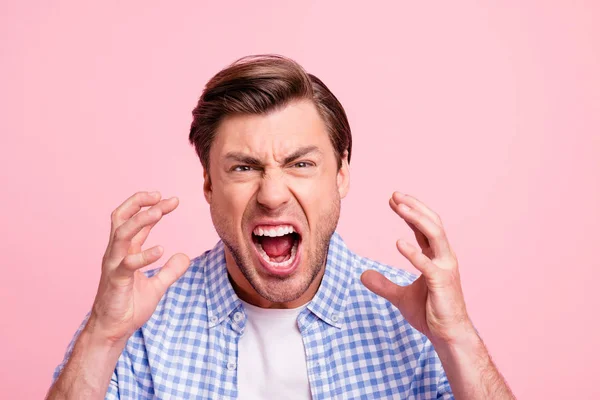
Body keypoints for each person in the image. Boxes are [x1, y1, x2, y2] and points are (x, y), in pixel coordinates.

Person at [47, 55, 515, 399]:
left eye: (301, 164)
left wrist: (457, 338)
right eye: (243, 168)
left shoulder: (416, 321)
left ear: (341, 175)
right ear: (209, 185)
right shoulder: (140, 323)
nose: (272, 194)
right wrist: (103, 336)